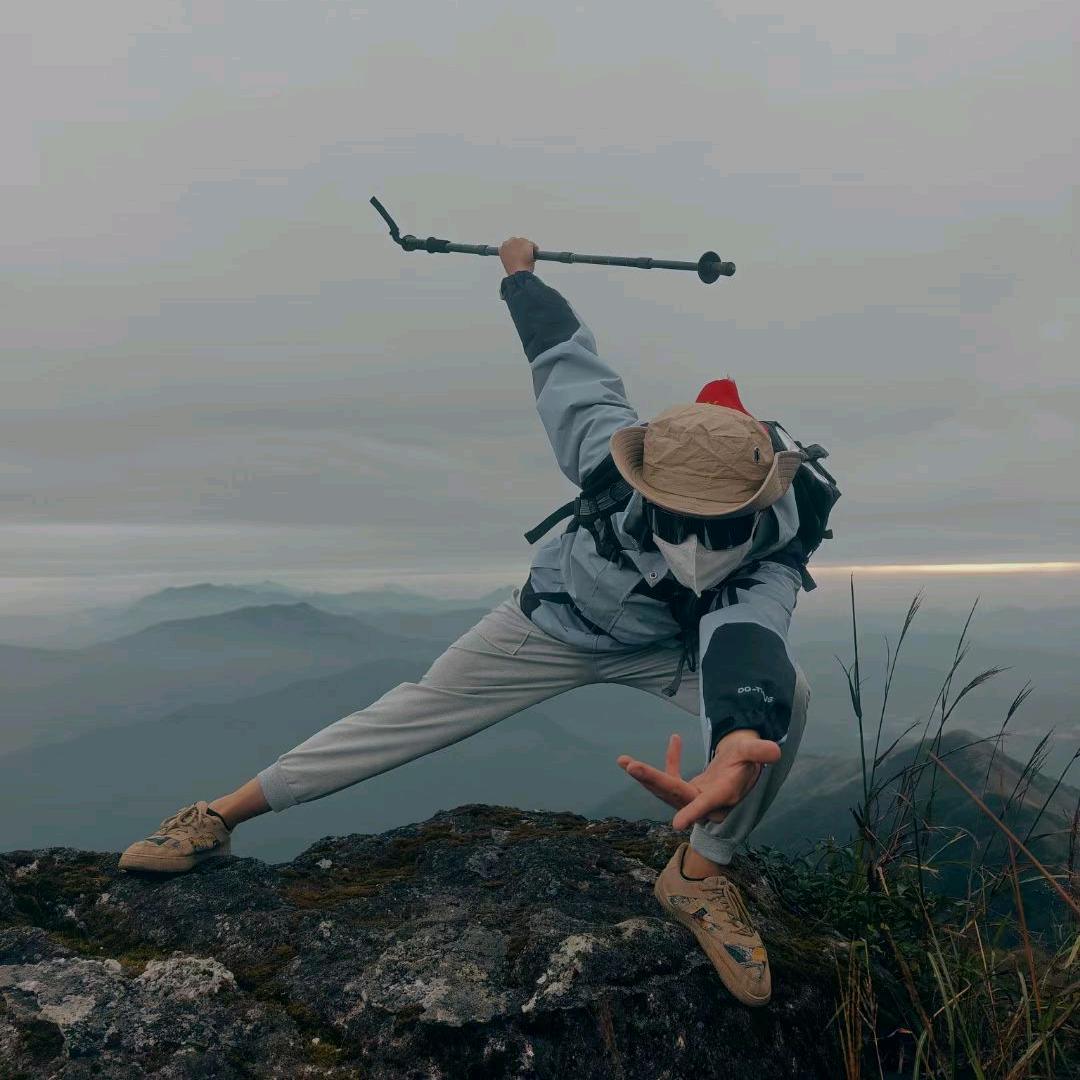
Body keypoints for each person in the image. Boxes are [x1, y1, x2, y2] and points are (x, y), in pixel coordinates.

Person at [119, 236, 816, 1009]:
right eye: (671, 518)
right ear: (643, 482)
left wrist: (736, 733)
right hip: (553, 625)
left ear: (756, 507)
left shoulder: (780, 541)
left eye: (717, 528)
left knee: (784, 704)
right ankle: (217, 815)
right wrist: (519, 276)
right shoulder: (603, 453)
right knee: (409, 715)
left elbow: (748, 637)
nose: (692, 545)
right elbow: (561, 355)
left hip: (671, 649)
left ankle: (699, 874)